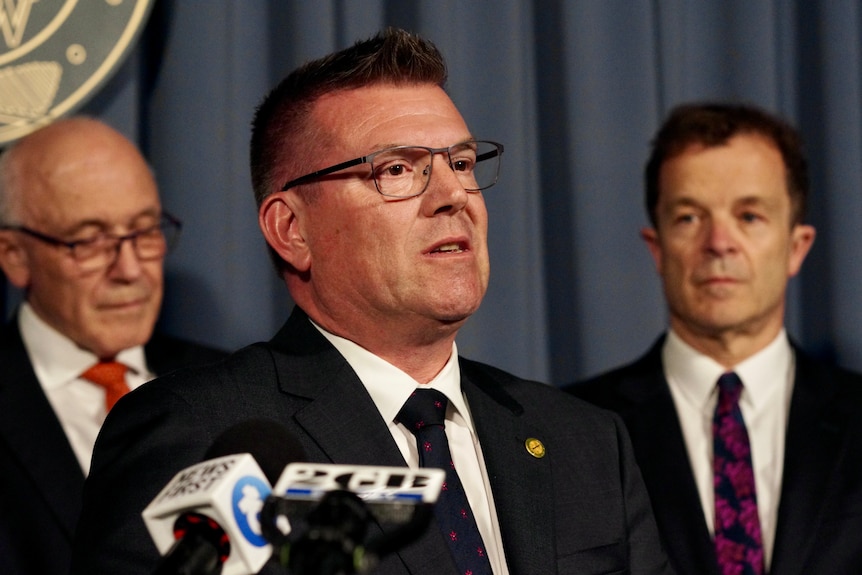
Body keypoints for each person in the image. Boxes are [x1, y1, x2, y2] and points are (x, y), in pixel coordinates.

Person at [71, 28, 673, 575]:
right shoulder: (203, 433)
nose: (452, 195)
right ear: (292, 231)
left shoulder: (585, 442)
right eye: (396, 170)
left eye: (461, 163)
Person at [567, 102, 862, 575]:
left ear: (796, 246)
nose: (719, 242)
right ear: (657, 248)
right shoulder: (575, 433)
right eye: (688, 217)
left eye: (749, 216)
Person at [0, 117, 227, 575]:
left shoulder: (230, 385)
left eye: (144, 232)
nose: (129, 270)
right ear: (15, 256)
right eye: (90, 241)